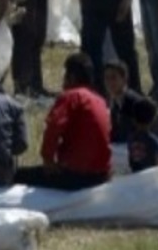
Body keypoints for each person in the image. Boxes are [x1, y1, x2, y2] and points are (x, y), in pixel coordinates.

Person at [13, 53, 111, 190]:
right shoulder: (100, 100)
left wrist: (48, 160)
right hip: (101, 175)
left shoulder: (71, 96)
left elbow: (54, 127)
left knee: (16, 175)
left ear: (71, 77)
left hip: (76, 176)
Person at [126, 96, 158, 173]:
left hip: (135, 174)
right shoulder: (153, 141)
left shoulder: (130, 139)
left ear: (134, 119)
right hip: (150, 178)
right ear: (153, 119)